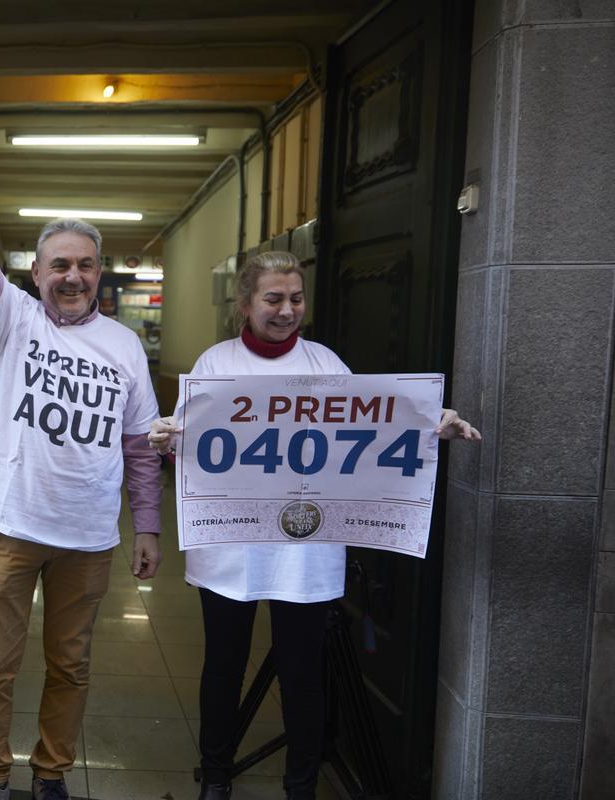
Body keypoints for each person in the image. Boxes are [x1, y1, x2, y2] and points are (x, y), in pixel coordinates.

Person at [0, 100, 164, 800]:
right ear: (37, 273)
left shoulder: (127, 348)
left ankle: (50, 774)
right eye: (58, 266)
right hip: (9, 527)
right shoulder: (11, 318)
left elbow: (140, 448)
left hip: (87, 536)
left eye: (83, 265)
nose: (71, 276)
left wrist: (148, 526)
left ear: (100, 272)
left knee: (71, 667)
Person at [146, 251, 480, 800]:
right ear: (246, 303)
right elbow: (193, 445)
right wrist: (168, 441)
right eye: (272, 299)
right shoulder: (214, 364)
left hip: (305, 545)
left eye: (295, 298)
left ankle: (300, 785)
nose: (285, 310)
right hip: (231, 545)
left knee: (303, 675)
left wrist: (429, 424)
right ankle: (216, 775)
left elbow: (371, 430)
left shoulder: (327, 364)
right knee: (222, 669)